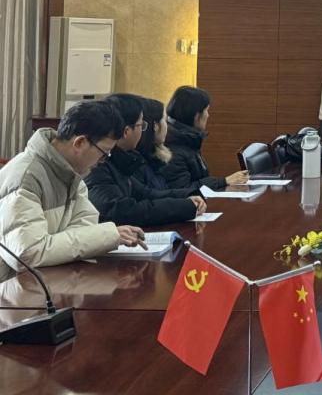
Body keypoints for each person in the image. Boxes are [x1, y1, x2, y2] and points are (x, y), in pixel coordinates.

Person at [0, 100, 145, 281]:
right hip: (11, 288)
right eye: (103, 153)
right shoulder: (25, 178)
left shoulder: (71, 174)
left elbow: (85, 226)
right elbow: (27, 254)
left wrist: (58, 246)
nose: (103, 161)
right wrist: (109, 235)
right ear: (80, 142)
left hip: (47, 281)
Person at [85, 93, 207, 226]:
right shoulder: (98, 164)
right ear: (126, 131)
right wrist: (184, 206)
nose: (143, 131)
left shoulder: (121, 160)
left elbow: (146, 194)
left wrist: (187, 198)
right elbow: (120, 211)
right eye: (141, 125)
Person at [161, 86, 248, 191]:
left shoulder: (188, 139)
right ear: (196, 116)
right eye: (206, 110)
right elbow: (183, 191)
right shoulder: (173, 148)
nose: (208, 115)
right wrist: (223, 181)